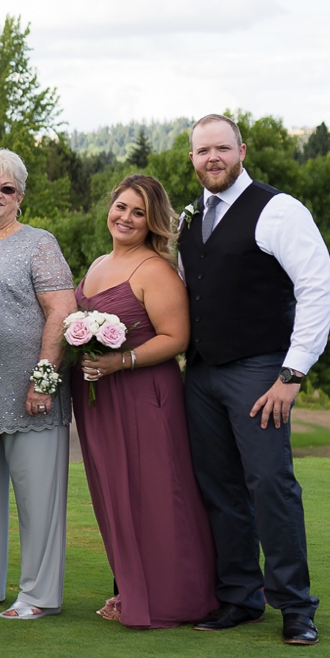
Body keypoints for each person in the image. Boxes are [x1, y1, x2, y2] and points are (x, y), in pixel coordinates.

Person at [179, 114, 330, 647]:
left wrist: (293, 373)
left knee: (270, 484)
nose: (213, 158)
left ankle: (295, 606)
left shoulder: (278, 209)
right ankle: (240, 596)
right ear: (192, 158)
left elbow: (317, 288)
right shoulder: (190, 218)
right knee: (219, 487)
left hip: (259, 371)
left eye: (222, 148)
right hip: (201, 373)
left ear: (241, 151)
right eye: (203, 151)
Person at [71, 174, 217, 629]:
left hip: (143, 394)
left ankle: (175, 597)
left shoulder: (155, 270)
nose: (126, 218)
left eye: (139, 212)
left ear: (152, 221)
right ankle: (132, 586)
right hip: (99, 397)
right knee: (115, 491)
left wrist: (123, 360)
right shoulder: (99, 263)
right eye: (121, 207)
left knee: (155, 491)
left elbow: (177, 338)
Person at [0, 149, 78, 620]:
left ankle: (39, 594)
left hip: (31, 394)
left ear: (20, 197)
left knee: (38, 499)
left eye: (8, 188)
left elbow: (61, 311)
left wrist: (44, 378)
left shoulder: (38, 243)